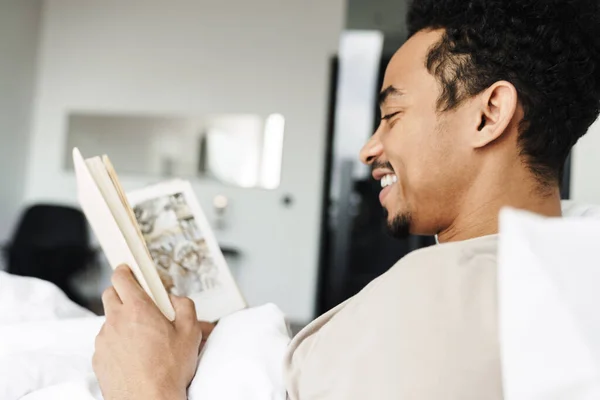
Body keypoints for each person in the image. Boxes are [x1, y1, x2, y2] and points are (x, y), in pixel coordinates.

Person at [92, 0, 600, 399]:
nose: (369, 149)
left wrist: (143, 385)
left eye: (393, 115)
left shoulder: (434, 303)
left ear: (488, 115)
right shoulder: (565, 269)